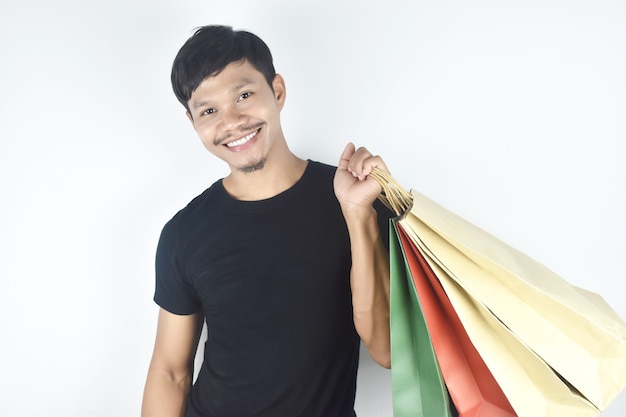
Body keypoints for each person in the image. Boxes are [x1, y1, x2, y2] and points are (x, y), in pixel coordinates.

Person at [141, 25, 394, 417]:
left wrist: (359, 215)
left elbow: (388, 349)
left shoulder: (354, 199)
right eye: (209, 111)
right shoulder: (183, 233)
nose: (232, 121)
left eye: (243, 95)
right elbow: (169, 371)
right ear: (193, 122)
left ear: (277, 91)